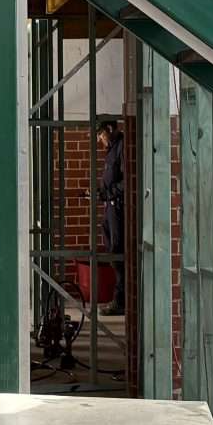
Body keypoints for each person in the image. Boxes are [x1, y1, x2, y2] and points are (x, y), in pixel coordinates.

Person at [94, 121, 126, 310]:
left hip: (117, 207)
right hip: (110, 207)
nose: (99, 138)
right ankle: (119, 298)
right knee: (113, 251)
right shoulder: (112, 149)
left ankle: (120, 300)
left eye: (101, 134)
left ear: (110, 129)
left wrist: (108, 193)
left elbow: (126, 182)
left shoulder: (122, 147)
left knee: (118, 251)